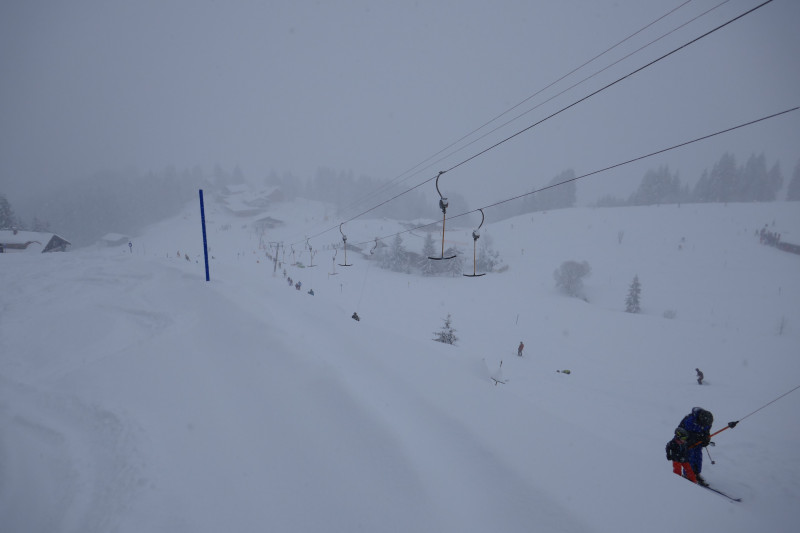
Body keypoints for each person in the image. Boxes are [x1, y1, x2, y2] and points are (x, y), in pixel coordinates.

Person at [678, 407, 713, 486]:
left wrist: (706, 439)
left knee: (698, 456)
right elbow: (686, 433)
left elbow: (706, 432)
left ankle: (696, 473)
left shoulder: (707, 423)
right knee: (689, 456)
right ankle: (688, 474)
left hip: (697, 441)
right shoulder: (690, 421)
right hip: (685, 440)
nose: (706, 426)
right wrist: (698, 437)